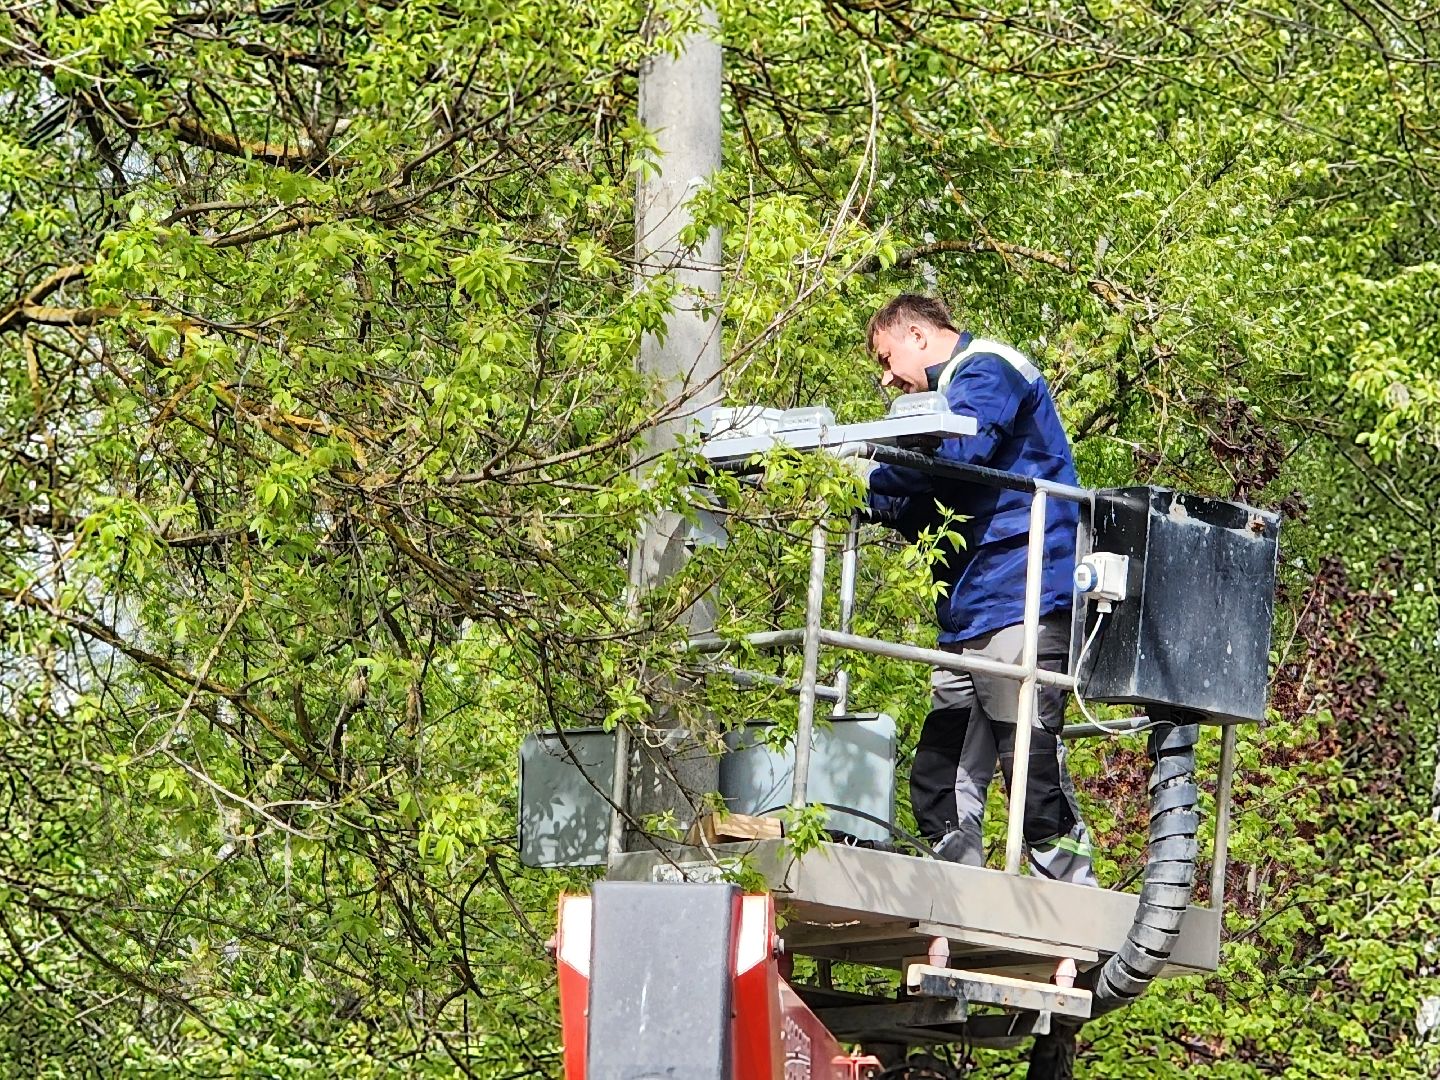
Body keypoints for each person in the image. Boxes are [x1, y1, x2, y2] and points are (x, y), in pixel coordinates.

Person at [853, 293, 1096, 886]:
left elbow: (964, 449)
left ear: (916, 335)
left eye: (888, 359)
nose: (889, 379)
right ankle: (957, 894)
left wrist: (871, 466)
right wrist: (851, 489)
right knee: (940, 765)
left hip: (1024, 592)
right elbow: (914, 492)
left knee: (1029, 757)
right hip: (968, 607)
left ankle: (1068, 896)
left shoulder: (988, 368)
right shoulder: (945, 398)